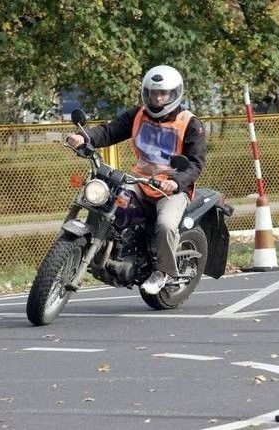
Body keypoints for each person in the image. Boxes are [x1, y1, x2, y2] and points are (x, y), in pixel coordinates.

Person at [66, 65, 207, 295]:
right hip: (140, 180)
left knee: (165, 225)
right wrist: (84, 137)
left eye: (164, 94)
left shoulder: (190, 123)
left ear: (174, 94)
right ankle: (107, 249)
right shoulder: (138, 114)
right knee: (106, 201)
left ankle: (164, 272)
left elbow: (195, 163)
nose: (159, 98)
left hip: (170, 188)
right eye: (154, 93)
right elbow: (110, 131)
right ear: (147, 93)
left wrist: (177, 182)